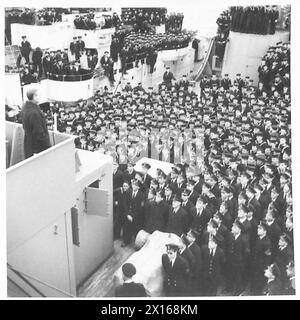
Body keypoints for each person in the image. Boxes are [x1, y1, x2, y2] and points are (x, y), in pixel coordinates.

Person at [21, 88, 51, 159]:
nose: (40, 97)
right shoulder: (34, 112)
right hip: (37, 147)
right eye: (38, 95)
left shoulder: (25, 107)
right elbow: (38, 132)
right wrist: (48, 146)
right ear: (34, 96)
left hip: (29, 144)